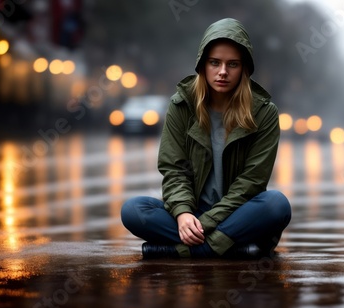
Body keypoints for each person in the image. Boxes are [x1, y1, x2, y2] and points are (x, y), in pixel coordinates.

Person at [121, 18, 291, 259]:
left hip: (238, 213)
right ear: (202, 65)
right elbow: (174, 169)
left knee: (276, 204)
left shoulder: (264, 113)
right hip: (192, 213)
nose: (223, 71)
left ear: (244, 68)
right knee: (133, 209)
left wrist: (208, 222)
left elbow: (251, 183)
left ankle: (185, 250)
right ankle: (230, 248)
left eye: (232, 64)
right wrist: (182, 214)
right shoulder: (181, 106)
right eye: (215, 63)